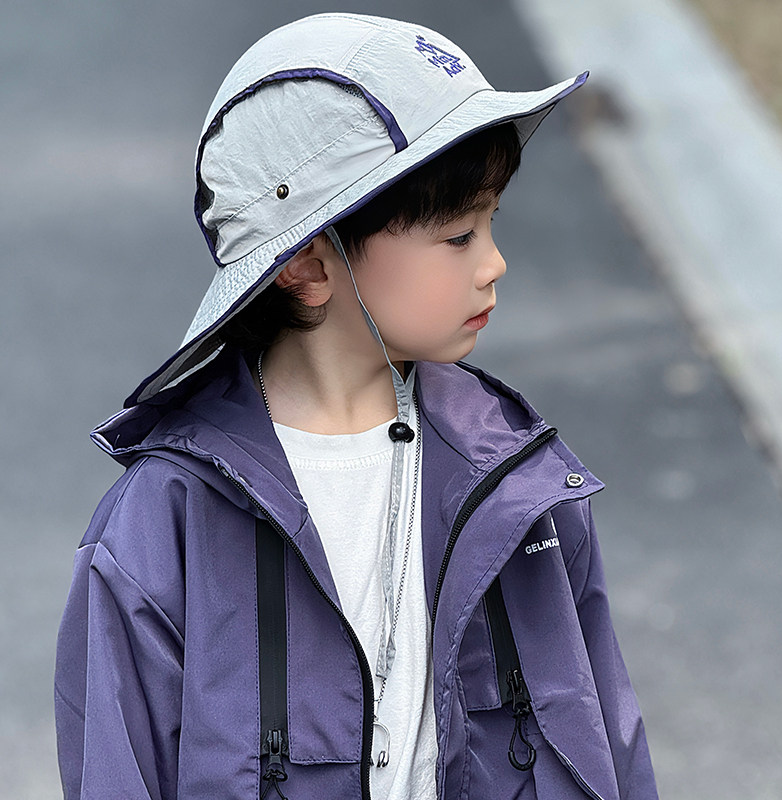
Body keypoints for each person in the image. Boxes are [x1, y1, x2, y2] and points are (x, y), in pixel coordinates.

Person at [55, 12, 659, 800]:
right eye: (458, 236)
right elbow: (115, 769)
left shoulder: (520, 480)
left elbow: (609, 736)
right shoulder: (163, 522)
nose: (495, 263)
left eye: (491, 223)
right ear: (309, 267)